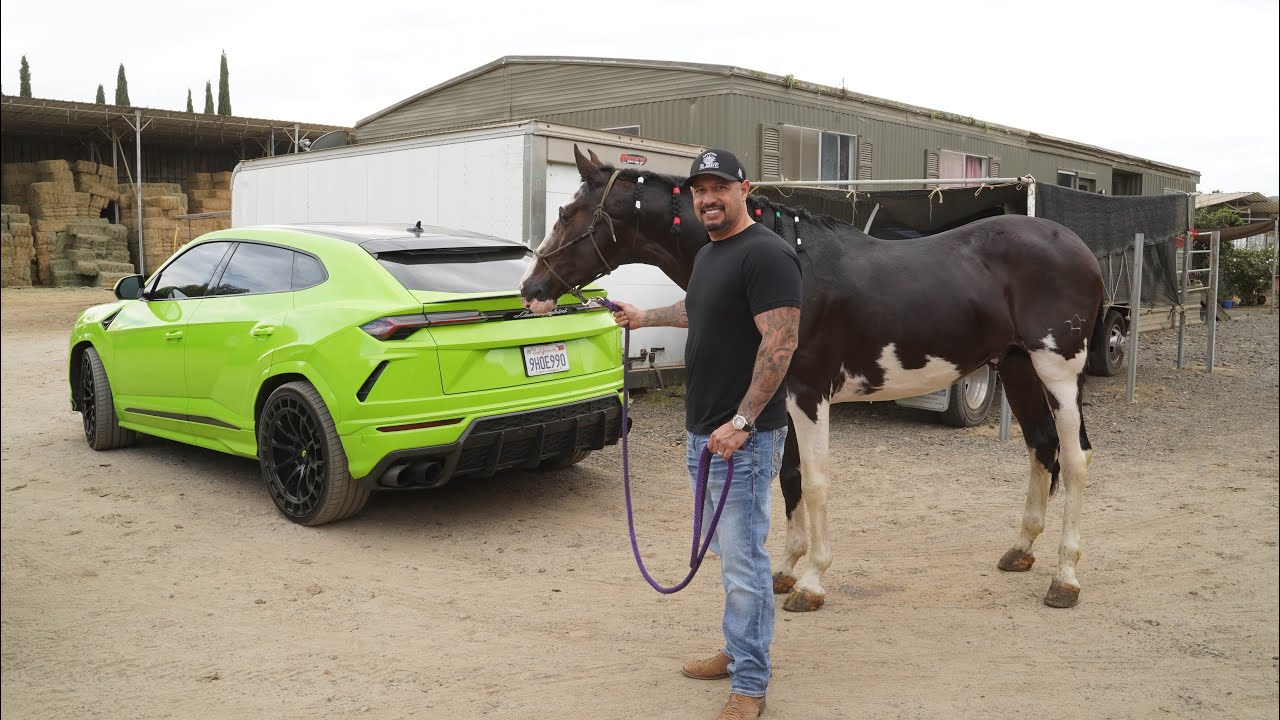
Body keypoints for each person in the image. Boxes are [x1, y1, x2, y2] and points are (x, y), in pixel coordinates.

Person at [611, 149, 801, 720]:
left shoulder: (769, 255)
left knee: (744, 563)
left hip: (740, 439)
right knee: (729, 555)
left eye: (720, 187)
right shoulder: (711, 253)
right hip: (705, 435)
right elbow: (702, 309)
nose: (708, 198)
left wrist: (742, 424)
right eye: (700, 190)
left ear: (746, 190)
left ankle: (750, 685)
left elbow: (781, 343)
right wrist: (644, 318)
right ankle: (738, 649)